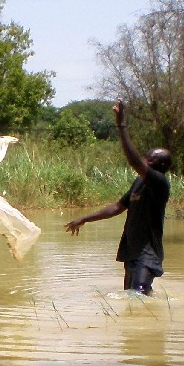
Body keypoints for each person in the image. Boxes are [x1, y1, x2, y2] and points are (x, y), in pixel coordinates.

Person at [64, 100, 172, 295]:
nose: (145, 159)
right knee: (132, 298)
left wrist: (121, 125)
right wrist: (85, 219)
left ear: (158, 166)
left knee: (137, 297)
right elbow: (117, 207)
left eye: (149, 159)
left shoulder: (159, 183)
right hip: (132, 252)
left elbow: (134, 161)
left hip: (147, 255)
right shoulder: (139, 183)